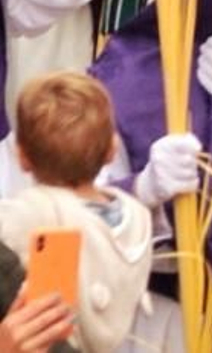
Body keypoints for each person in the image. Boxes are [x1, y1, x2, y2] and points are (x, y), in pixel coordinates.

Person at [0, 74, 153, 353]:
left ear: (21, 157)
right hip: (117, 339)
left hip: (53, 338)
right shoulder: (137, 215)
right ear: (112, 150)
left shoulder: (34, 211)